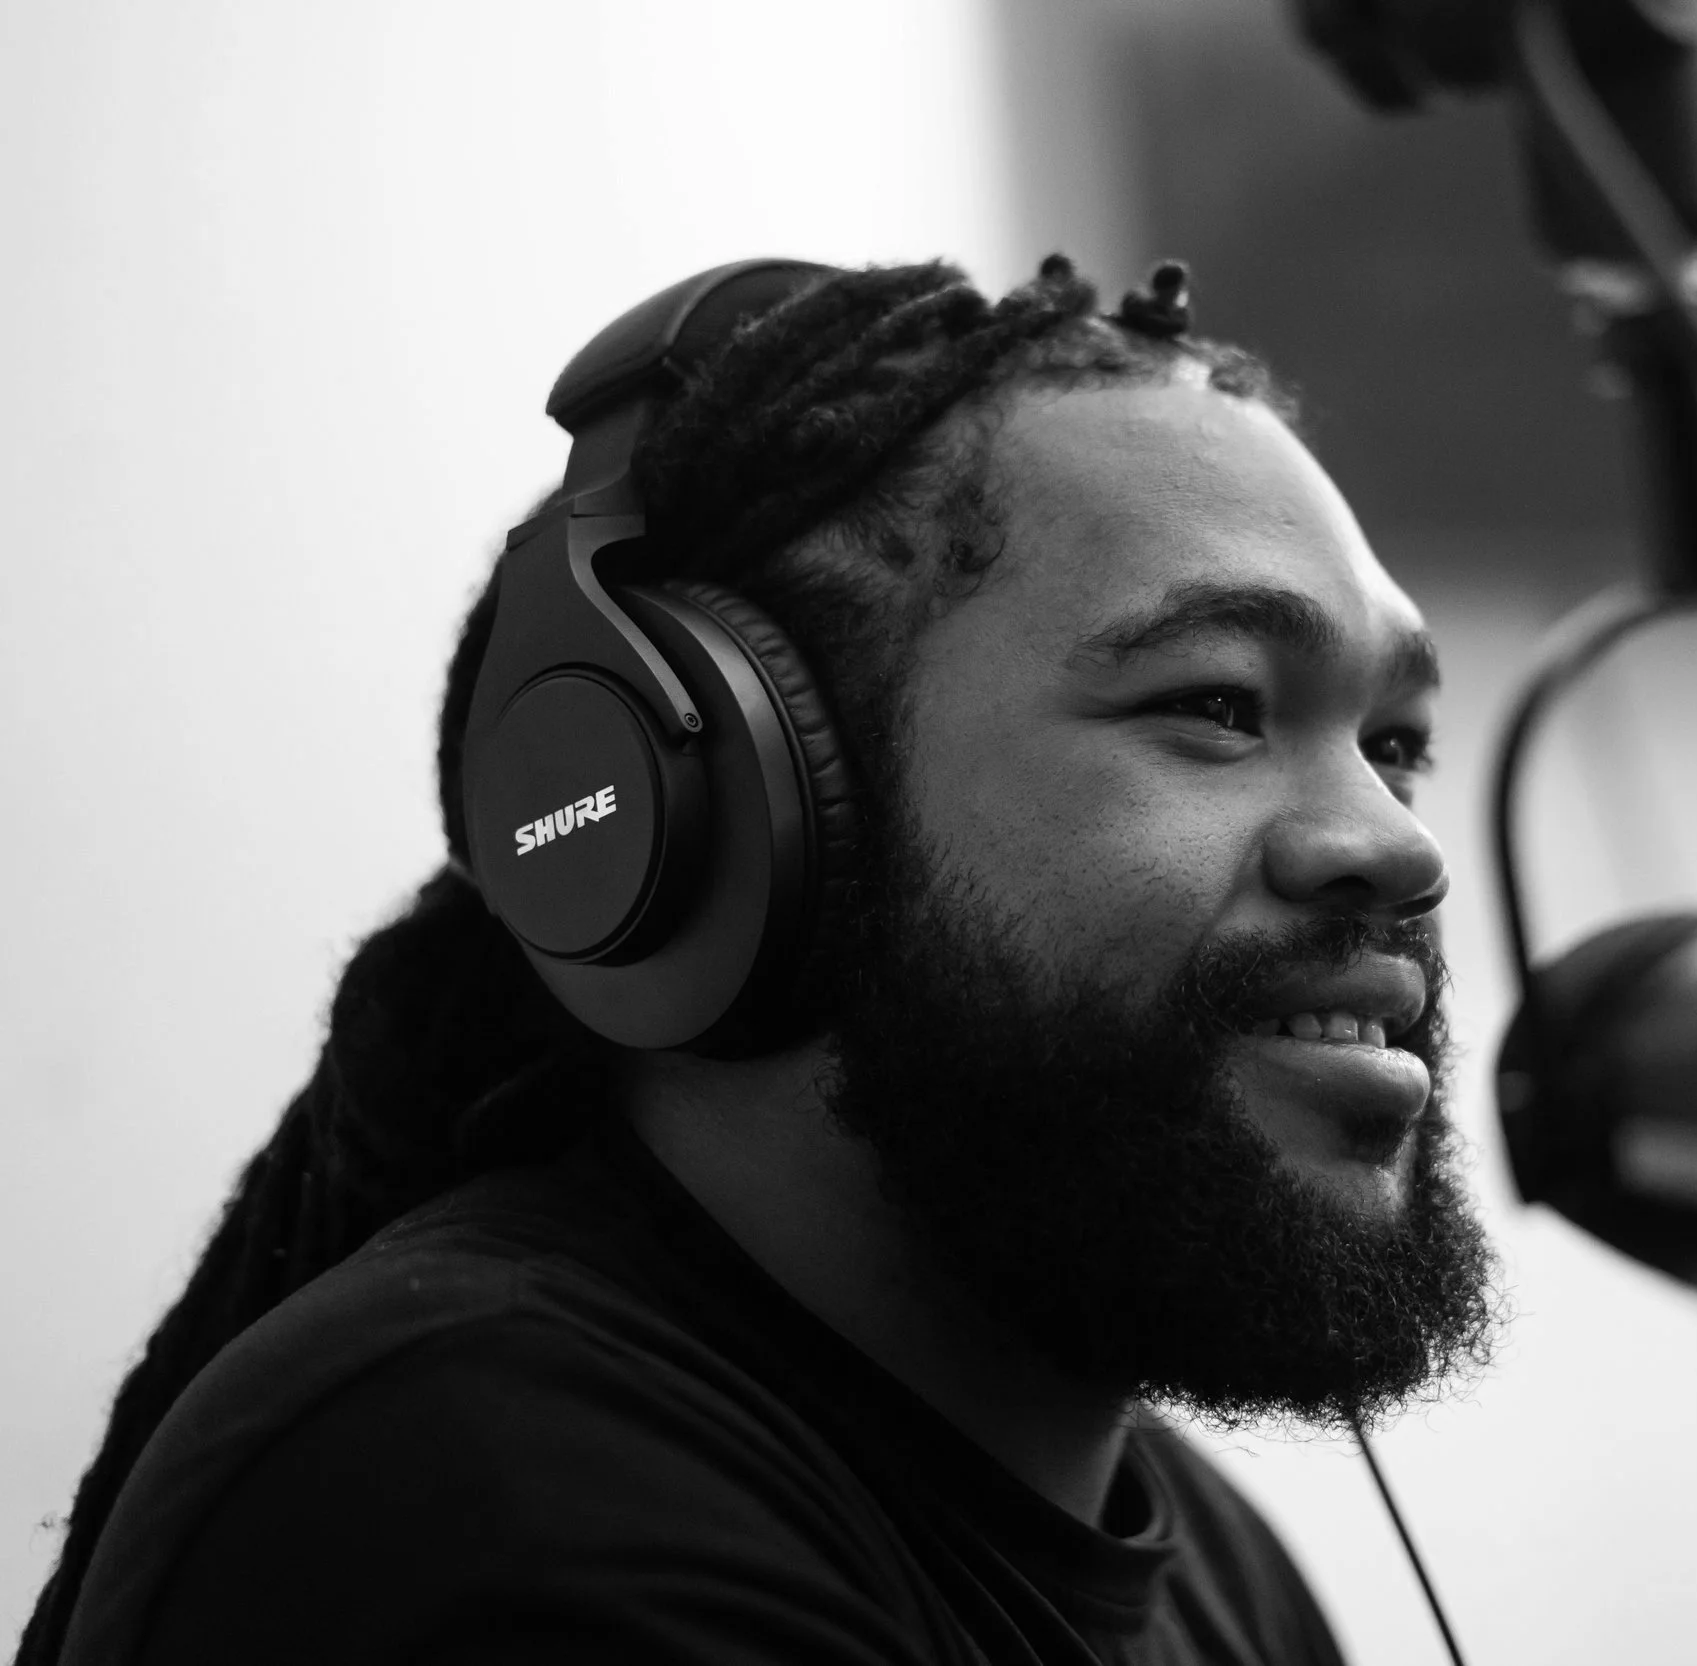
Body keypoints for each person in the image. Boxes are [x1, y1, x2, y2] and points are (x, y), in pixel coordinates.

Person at [17, 256, 1500, 1666]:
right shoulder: (491, 1498)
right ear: (750, 811)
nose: (1399, 845)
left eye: (1397, 743)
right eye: (1219, 705)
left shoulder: (1213, 1566)